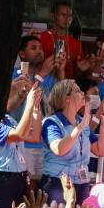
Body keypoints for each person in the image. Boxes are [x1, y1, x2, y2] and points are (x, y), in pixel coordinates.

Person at [41, 79, 104, 205]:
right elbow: (59, 149)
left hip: (82, 182)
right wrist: (80, 126)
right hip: (58, 182)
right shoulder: (51, 122)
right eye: (78, 91)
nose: (83, 93)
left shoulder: (81, 121)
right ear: (66, 98)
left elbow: (100, 150)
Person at [12, 35, 62, 185]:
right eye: (33, 48)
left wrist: (61, 70)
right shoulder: (15, 75)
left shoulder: (50, 77)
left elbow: (62, 101)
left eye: (41, 48)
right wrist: (43, 74)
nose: (39, 52)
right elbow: (24, 95)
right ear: (22, 54)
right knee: (23, 187)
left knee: (40, 189)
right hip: (22, 143)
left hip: (45, 144)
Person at [0, 80, 43, 208]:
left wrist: (36, 108)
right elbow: (19, 134)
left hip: (20, 177)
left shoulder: (9, 120)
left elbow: (35, 136)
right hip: (2, 179)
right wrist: (29, 104)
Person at [38, 1, 95, 80]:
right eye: (63, 15)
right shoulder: (41, 37)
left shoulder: (77, 44)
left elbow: (76, 75)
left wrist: (82, 69)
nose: (67, 19)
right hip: (43, 83)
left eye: (70, 16)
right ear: (52, 16)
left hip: (67, 86)